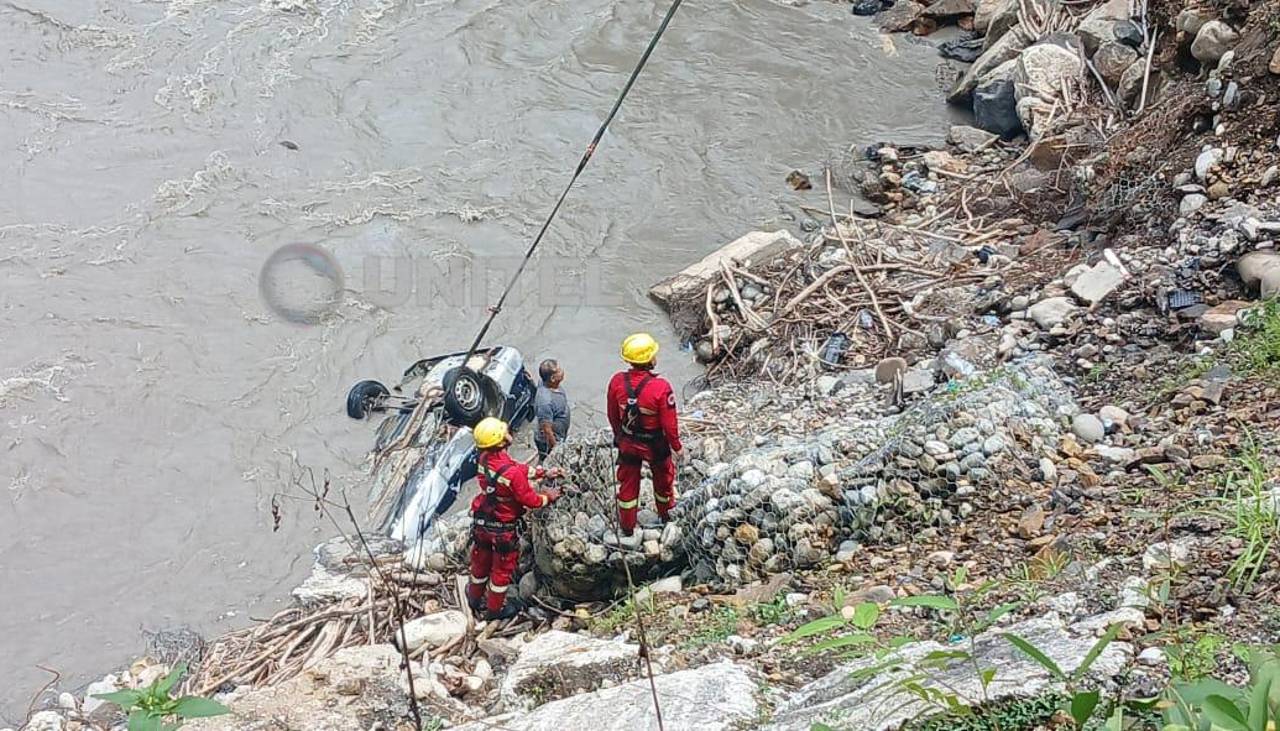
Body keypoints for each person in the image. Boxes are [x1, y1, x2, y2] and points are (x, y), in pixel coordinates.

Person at [466, 417, 562, 621]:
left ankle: (473, 598)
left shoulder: (484, 459)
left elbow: (515, 468)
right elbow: (531, 499)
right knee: (501, 571)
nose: (509, 431)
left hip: (483, 521)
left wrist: (542, 473)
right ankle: (495, 610)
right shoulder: (511, 474)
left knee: (480, 562)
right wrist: (548, 496)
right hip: (503, 528)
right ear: (500, 441)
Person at [606, 333, 682, 537]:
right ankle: (666, 517)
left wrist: (619, 437)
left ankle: (627, 527)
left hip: (628, 441)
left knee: (628, 484)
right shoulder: (661, 387)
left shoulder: (617, 382)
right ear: (650, 359)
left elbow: (613, 415)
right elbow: (669, 424)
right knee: (663, 480)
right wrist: (677, 447)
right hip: (655, 443)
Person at [533, 359, 571, 461]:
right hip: (549, 441)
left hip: (560, 433)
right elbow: (547, 430)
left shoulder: (546, 382)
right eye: (559, 371)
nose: (562, 371)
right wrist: (556, 449)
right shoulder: (545, 402)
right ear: (553, 378)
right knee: (550, 462)